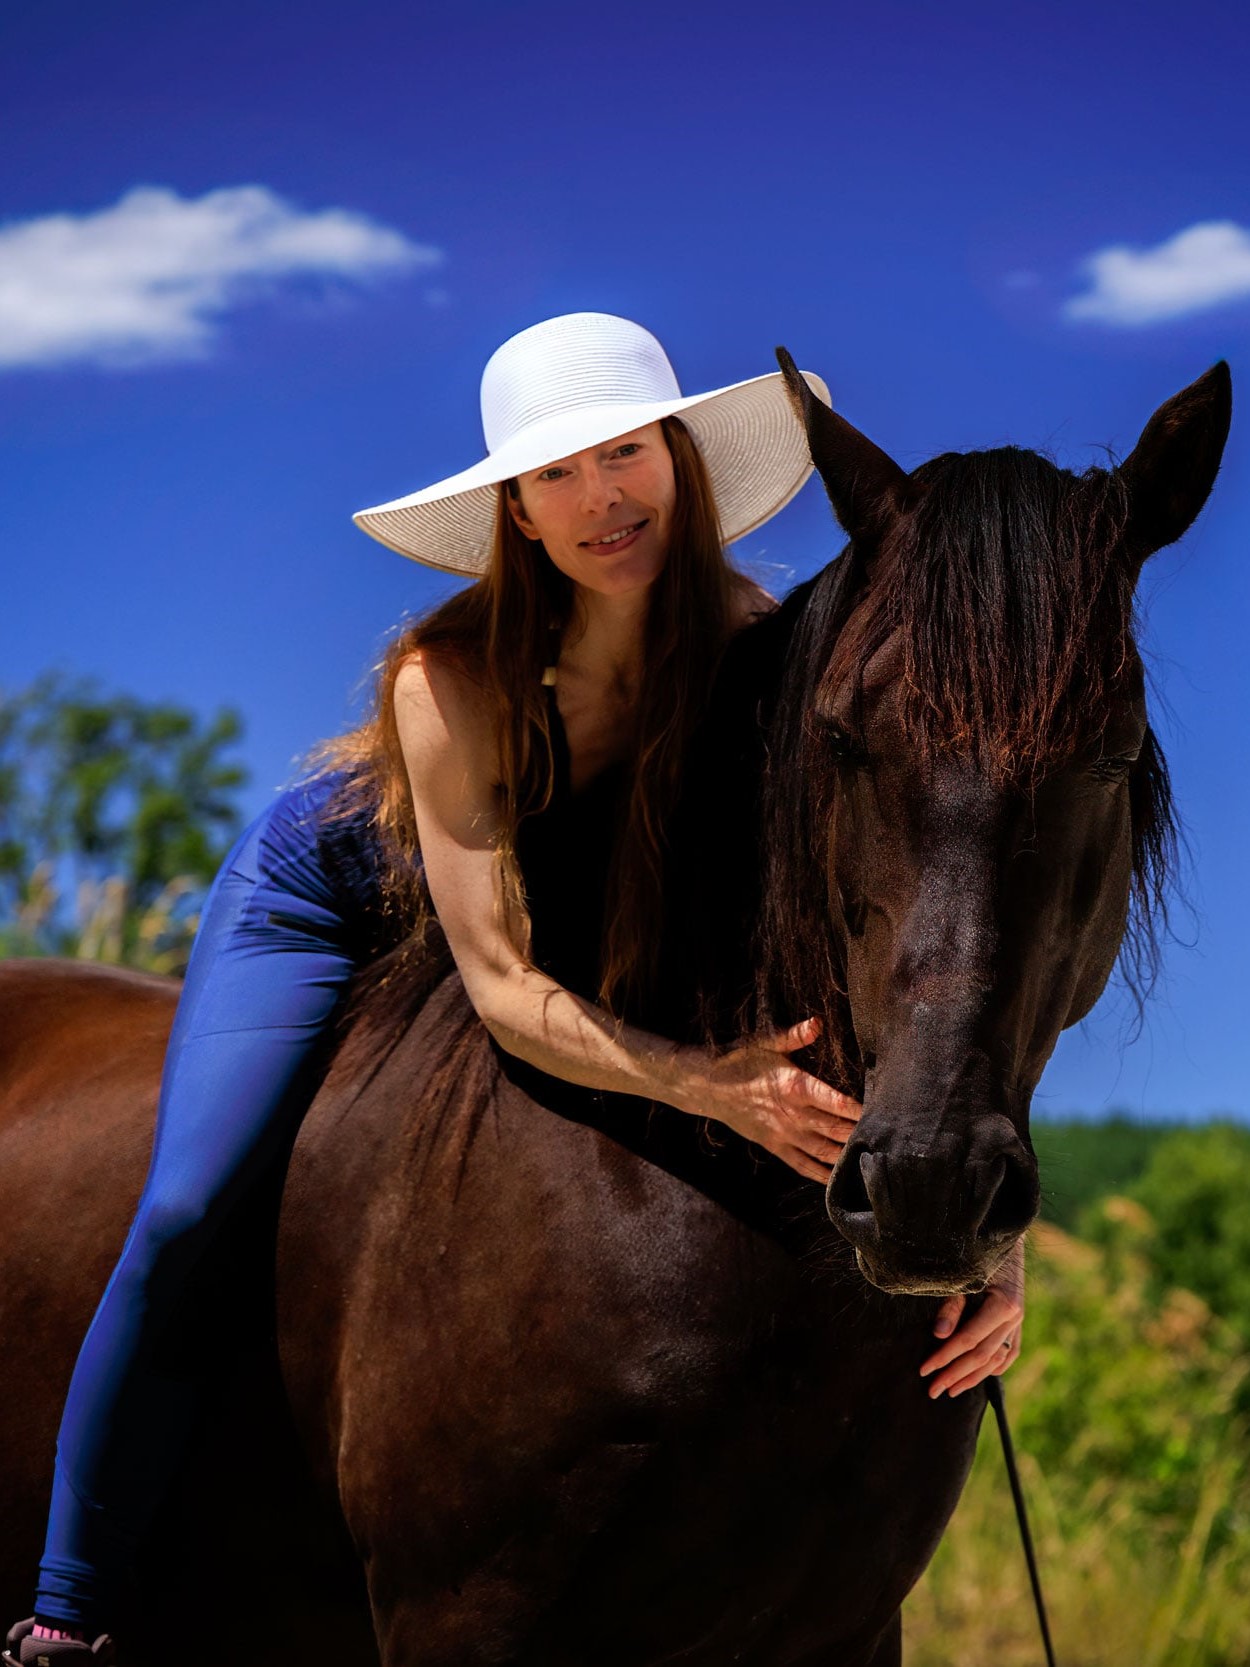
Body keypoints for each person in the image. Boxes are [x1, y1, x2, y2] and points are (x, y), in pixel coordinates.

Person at [4, 311, 1023, 1667]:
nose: (599, 498)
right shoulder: (451, 676)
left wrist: (988, 1226)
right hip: (341, 902)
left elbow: (869, 949)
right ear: (517, 517)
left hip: (578, 910)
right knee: (189, 1208)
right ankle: (71, 1608)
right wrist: (696, 1080)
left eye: (624, 453)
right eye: (554, 476)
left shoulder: (754, 648)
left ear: (679, 458)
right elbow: (495, 978)